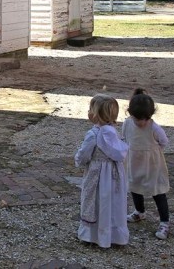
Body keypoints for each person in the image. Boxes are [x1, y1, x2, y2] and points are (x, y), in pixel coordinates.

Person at [75, 94, 129, 248]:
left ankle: (94, 234)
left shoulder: (93, 134)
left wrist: (78, 160)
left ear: (95, 114)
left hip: (97, 174)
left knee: (96, 200)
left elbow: (85, 154)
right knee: (112, 202)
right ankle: (113, 234)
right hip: (114, 174)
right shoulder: (113, 133)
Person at [121, 88, 171, 240]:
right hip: (134, 162)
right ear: (131, 114)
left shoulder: (154, 128)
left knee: (158, 192)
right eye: (137, 119)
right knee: (135, 187)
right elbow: (125, 139)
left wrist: (152, 153)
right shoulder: (127, 124)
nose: (140, 122)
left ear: (149, 116)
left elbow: (164, 142)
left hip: (152, 166)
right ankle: (139, 211)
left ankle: (165, 222)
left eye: (144, 119)